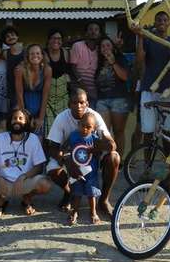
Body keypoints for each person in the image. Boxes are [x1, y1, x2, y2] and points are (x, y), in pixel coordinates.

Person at [46, 88, 119, 216]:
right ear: (69, 104)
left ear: (87, 104)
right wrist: (67, 160)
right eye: (74, 103)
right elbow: (52, 147)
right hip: (69, 156)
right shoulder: (61, 118)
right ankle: (69, 193)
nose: (78, 106)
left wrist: (93, 149)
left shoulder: (94, 116)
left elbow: (112, 145)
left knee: (114, 158)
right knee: (52, 169)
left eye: (81, 102)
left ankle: (104, 200)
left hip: (92, 158)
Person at [0, 108, 51, 218]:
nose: (17, 121)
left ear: (26, 122)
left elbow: (39, 167)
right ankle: (0, 200)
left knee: (45, 184)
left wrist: (23, 176)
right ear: (10, 121)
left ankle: (26, 198)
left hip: (23, 182)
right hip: (2, 183)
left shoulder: (33, 139)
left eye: (20, 118)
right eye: (14, 118)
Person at [132, 11, 170, 145]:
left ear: (169, 23)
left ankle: (168, 164)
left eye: (165, 20)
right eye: (159, 20)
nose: (162, 22)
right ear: (155, 22)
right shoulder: (148, 40)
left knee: (167, 131)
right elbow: (139, 61)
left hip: (168, 90)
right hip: (149, 89)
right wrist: (141, 37)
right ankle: (148, 165)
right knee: (148, 131)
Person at [62, 113, 110, 225]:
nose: (85, 129)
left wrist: (93, 150)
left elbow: (101, 151)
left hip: (91, 172)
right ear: (78, 124)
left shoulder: (95, 139)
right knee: (76, 192)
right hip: (76, 170)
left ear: (93, 129)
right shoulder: (73, 136)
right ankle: (74, 211)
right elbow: (65, 148)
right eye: (83, 125)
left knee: (91, 192)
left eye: (88, 127)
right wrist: (67, 159)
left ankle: (93, 212)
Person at [94, 36, 131, 157]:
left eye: (108, 45)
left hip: (119, 99)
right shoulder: (98, 62)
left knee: (118, 132)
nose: (105, 48)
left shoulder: (120, 58)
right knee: (103, 132)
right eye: (103, 46)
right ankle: (106, 160)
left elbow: (125, 77)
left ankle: (118, 160)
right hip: (102, 100)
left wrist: (113, 62)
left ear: (113, 48)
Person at [14, 44, 52, 137]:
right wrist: (25, 116)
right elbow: (19, 93)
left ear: (42, 56)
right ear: (28, 57)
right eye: (32, 54)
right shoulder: (20, 70)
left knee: (39, 138)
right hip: (23, 105)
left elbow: (45, 94)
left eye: (38, 53)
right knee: (23, 136)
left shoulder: (47, 70)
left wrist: (41, 118)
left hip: (40, 107)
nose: (35, 56)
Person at [44, 29, 73, 133]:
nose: (56, 41)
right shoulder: (43, 53)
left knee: (64, 128)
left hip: (63, 95)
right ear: (48, 40)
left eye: (59, 38)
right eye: (54, 38)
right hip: (48, 96)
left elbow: (69, 71)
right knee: (49, 129)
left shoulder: (65, 53)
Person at [70, 22, 102, 106]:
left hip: (94, 91)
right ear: (86, 33)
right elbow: (72, 66)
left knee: (91, 116)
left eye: (96, 30)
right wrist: (81, 82)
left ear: (99, 34)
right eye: (90, 29)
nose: (93, 32)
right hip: (78, 88)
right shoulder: (77, 46)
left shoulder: (101, 49)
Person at [1, 26, 25, 104]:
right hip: (11, 88)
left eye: (12, 34)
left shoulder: (26, 51)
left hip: (26, 87)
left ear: (17, 36)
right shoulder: (5, 53)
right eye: (7, 36)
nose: (10, 37)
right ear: (5, 40)